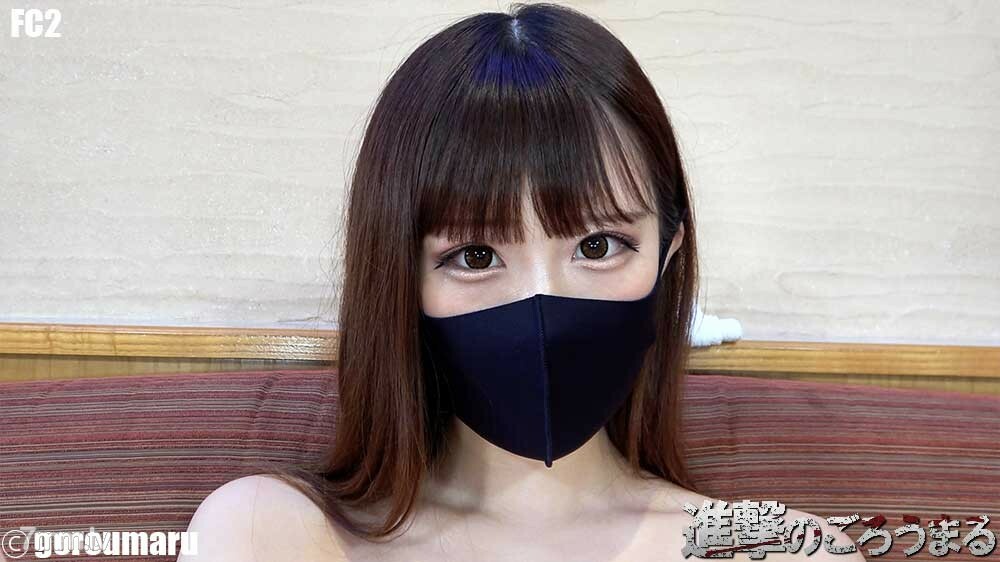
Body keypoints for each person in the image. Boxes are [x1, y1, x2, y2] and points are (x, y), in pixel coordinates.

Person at [180, 4, 867, 561]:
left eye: (598, 246)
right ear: (399, 275)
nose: (542, 303)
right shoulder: (265, 532)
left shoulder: (785, 551)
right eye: (476, 255)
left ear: (667, 256)